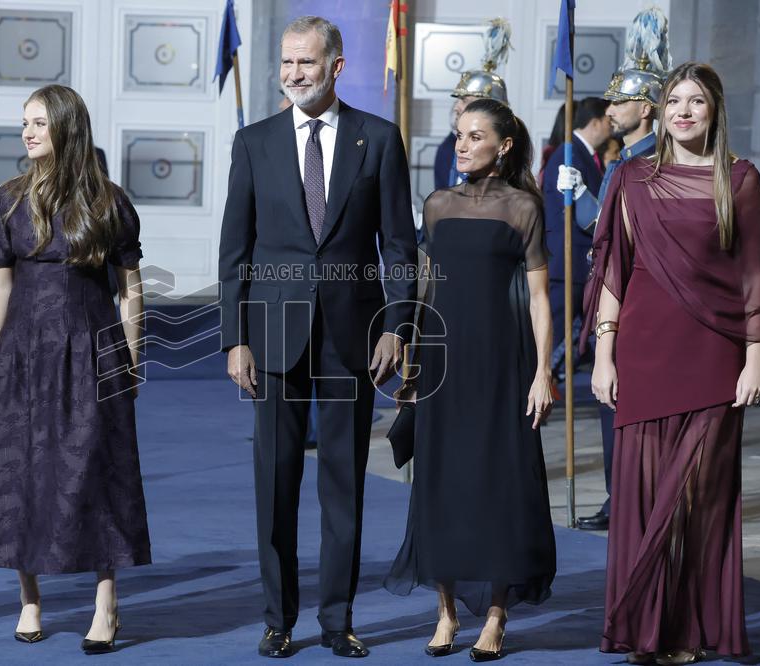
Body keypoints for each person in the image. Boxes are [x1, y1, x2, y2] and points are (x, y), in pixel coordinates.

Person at [219, 15, 417, 659]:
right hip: (273, 336)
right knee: (275, 483)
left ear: (336, 66)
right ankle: (278, 620)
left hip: (352, 336)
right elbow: (235, 251)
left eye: (305, 62)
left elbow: (399, 245)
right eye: (286, 62)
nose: (294, 73)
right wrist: (235, 338)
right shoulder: (253, 142)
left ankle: (337, 621)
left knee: (343, 484)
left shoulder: (378, 140)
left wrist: (398, 324)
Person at [584, 62, 760, 665]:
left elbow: (752, 275)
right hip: (644, 351)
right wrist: (604, 355)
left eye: (696, 102)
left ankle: (682, 623)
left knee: (696, 496)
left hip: (715, 354)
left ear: (715, 111)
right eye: (673, 102)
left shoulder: (740, 179)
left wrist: (756, 357)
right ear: (660, 112)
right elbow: (615, 271)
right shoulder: (632, 177)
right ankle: (648, 628)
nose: (683, 112)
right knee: (643, 493)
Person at [0, 84, 150, 655]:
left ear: (67, 126)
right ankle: (30, 599)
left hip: (92, 350)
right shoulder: (8, 200)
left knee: (98, 473)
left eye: (39, 122)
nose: (27, 132)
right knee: (20, 472)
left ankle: (106, 603)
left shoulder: (109, 201)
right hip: (22, 353)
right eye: (25, 122)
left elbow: (131, 288)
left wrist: (132, 360)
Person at [385, 98, 555, 662]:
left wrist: (543, 372)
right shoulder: (437, 205)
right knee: (441, 482)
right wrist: (413, 363)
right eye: (458, 134)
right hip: (443, 365)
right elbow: (427, 286)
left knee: (499, 482)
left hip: (503, 362)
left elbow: (539, 298)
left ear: (503, 146)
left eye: (474, 136)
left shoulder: (523, 208)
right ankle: (446, 612)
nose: (461, 144)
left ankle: (497, 616)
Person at [558, 6, 671, 532]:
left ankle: (633, 501)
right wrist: (583, 197)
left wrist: (589, 203)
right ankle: (618, 498)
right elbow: (602, 229)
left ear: (645, 108)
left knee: (629, 409)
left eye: (620, 100)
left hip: (637, 301)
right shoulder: (620, 161)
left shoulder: (651, 163)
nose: (610, 108)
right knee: (610, 405)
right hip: (607, 291)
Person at [542, 96, 609, 356]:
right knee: (552, 338)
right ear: (595, 123)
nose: (611, 126)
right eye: (608, 120)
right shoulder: (569, 153)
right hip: (567, 262)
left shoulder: (582, 153)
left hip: (577, 263)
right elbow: (569, 210)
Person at [433, 18, 511, 190]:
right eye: (458, 100)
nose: (457, 107)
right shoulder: (447, 148)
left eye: (466, 101)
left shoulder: (509, 155)